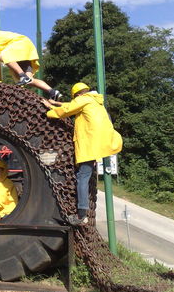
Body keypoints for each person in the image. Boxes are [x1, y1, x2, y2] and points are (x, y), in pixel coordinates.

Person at [43, 82, 122, 225]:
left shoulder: (82, 100)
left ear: (77, 95)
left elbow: (68, 110)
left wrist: (50, 109)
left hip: (90, 144)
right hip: (99, 144)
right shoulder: (94, 101)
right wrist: (56, 102)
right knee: (85, 174)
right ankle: (82, 213)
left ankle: (81, 215)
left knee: (82, 177)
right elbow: (71, 105)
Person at [0, 28, 62, 101]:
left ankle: (22, 75)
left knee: (2, 54)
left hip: (20, 45)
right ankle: (53, 92)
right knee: (30, 80)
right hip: (23, 50)